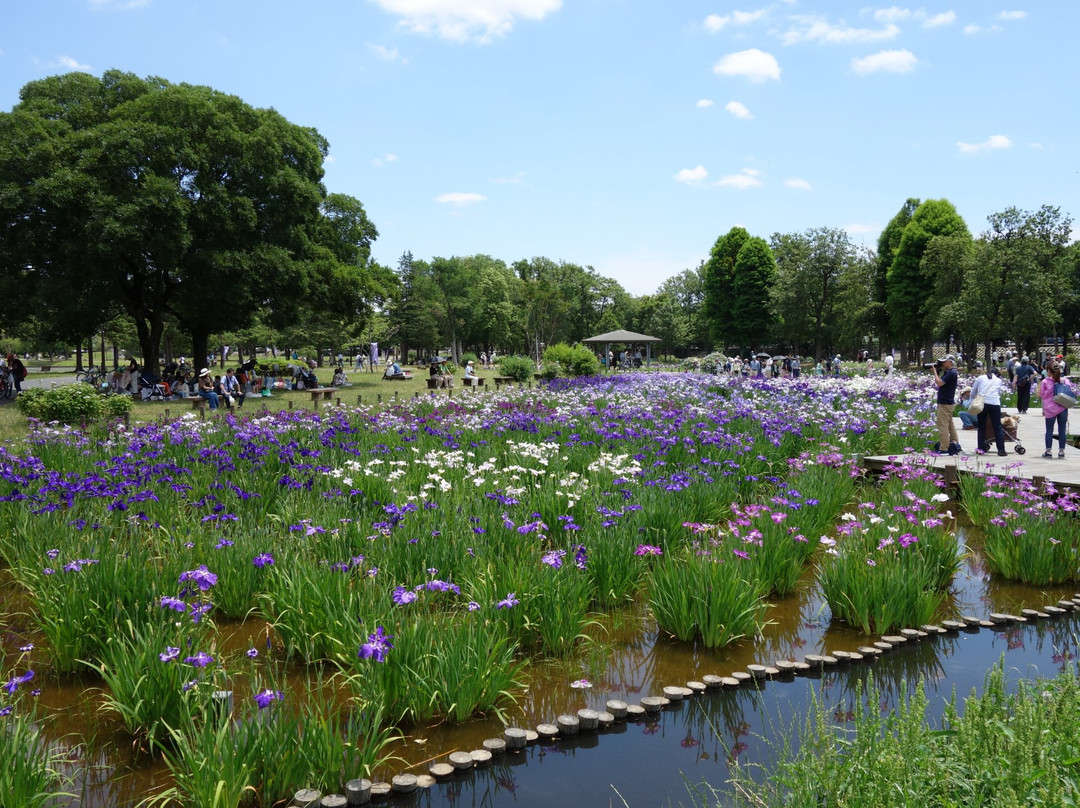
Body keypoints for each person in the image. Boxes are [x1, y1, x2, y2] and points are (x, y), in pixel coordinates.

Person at [969, 364, 1007, 456]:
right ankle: (1001, 450)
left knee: (981, 427)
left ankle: (981, 449)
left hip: (983, 404)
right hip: (995, 404)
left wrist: (976, 398)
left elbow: (973, 392)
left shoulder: (981, 378)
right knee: (997, 427)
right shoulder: (998, 380)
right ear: (997, 374)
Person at [1040, 363, 1075, 458]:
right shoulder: (1065, 381)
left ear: (1048, 371)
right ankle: (1061, 452)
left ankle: (1048, 451)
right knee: (1062, 430)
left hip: (1050, 409)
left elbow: (1042, 395)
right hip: (1063, 407)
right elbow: (1071, 391)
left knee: (1049, 430)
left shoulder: (1045, 382)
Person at [931, 355, 961, 455]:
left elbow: (939, 383)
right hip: (949, 402)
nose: (942, 364)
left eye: (944, 362)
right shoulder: (951, 372)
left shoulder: (951, 373)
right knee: (950, 425)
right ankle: (955, 444)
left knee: (942, 425)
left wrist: (934, 372)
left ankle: (944, 448)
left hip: (944, 403)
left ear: (950, 362)